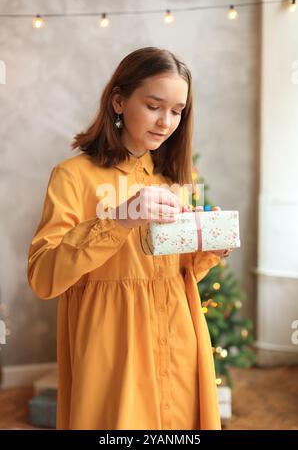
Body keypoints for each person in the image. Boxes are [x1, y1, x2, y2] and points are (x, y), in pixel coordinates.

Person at [27, 47, 231, 430]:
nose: (166, 122)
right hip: (112, 346)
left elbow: (175, 273)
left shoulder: (177, 178)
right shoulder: (73, 176)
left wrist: (207, 250)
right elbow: (43, 276)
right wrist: (118, 220)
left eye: (177, 111)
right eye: (154, 105)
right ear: (119, 101)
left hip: (180, 335)